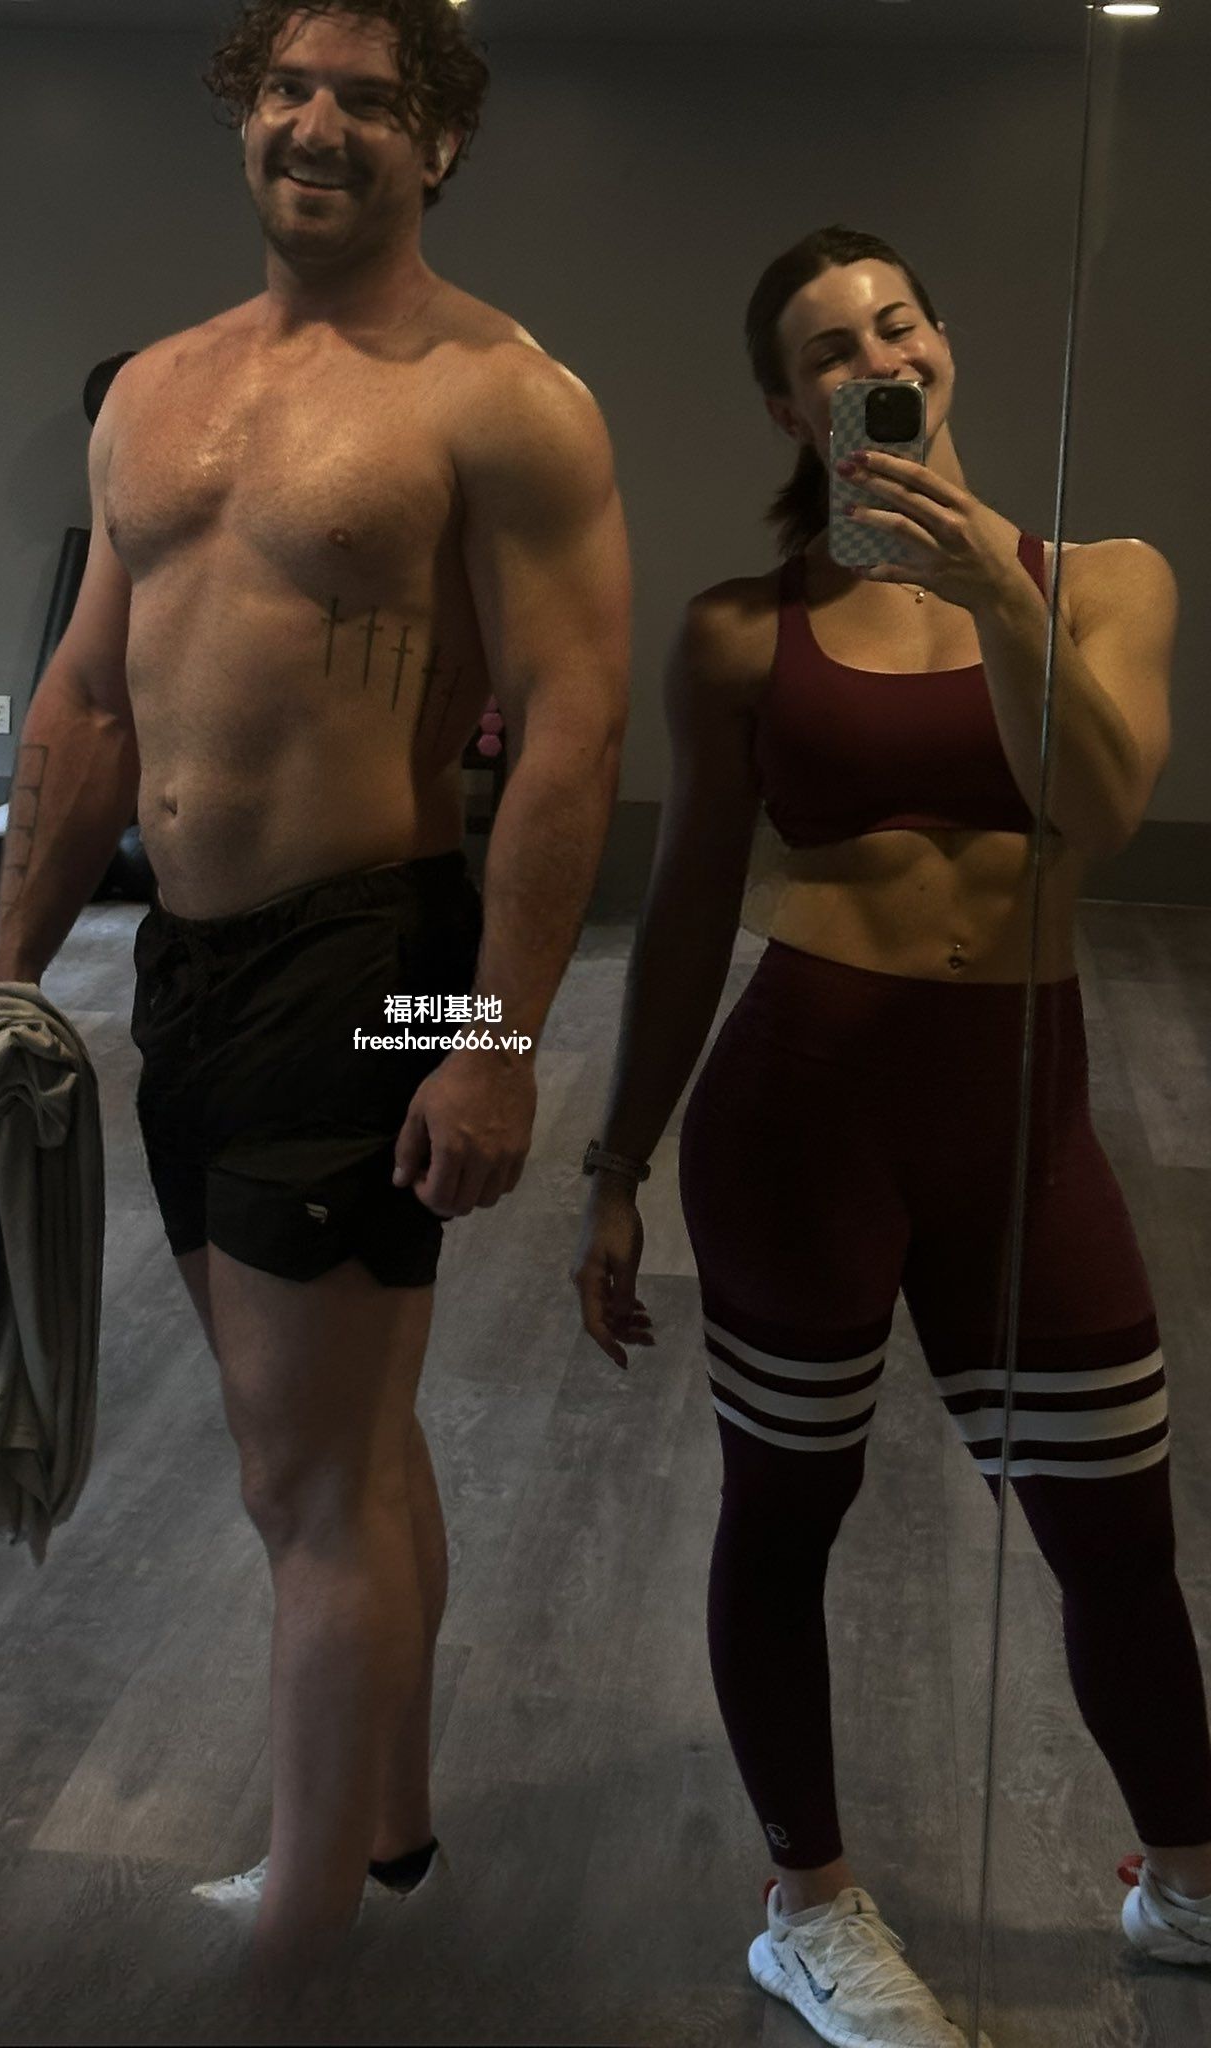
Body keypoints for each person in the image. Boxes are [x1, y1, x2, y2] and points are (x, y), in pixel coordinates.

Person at [0, 0, 630, 1984]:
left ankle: (302, 1942)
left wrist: (494, 1044)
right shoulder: (154, 393)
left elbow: (575, 732)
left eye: (369, 97)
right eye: (287, 87)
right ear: (241, 114)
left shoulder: (504, 397)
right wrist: (7, 974)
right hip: (188, 965)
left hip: (380, 955)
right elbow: (90, 698)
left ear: (439, 142)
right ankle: (390, 1830)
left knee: (306, 1476)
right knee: (357, 1432)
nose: (317, 124)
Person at [572, 224, 1211, 2048]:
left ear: (945, 343)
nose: (878, 360)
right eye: (830, 351)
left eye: (898, 322)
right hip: (802, 1121)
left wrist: (994, 590)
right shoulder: (738, 631)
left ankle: (1190, 1881)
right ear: (792, 408)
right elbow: (687, 909)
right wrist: (613, 1165)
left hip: (1021, 1119)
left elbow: (1099, 809)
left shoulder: (1106, 582)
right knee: (787, 1513)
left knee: (1116, 1528)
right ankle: (810, 1909)